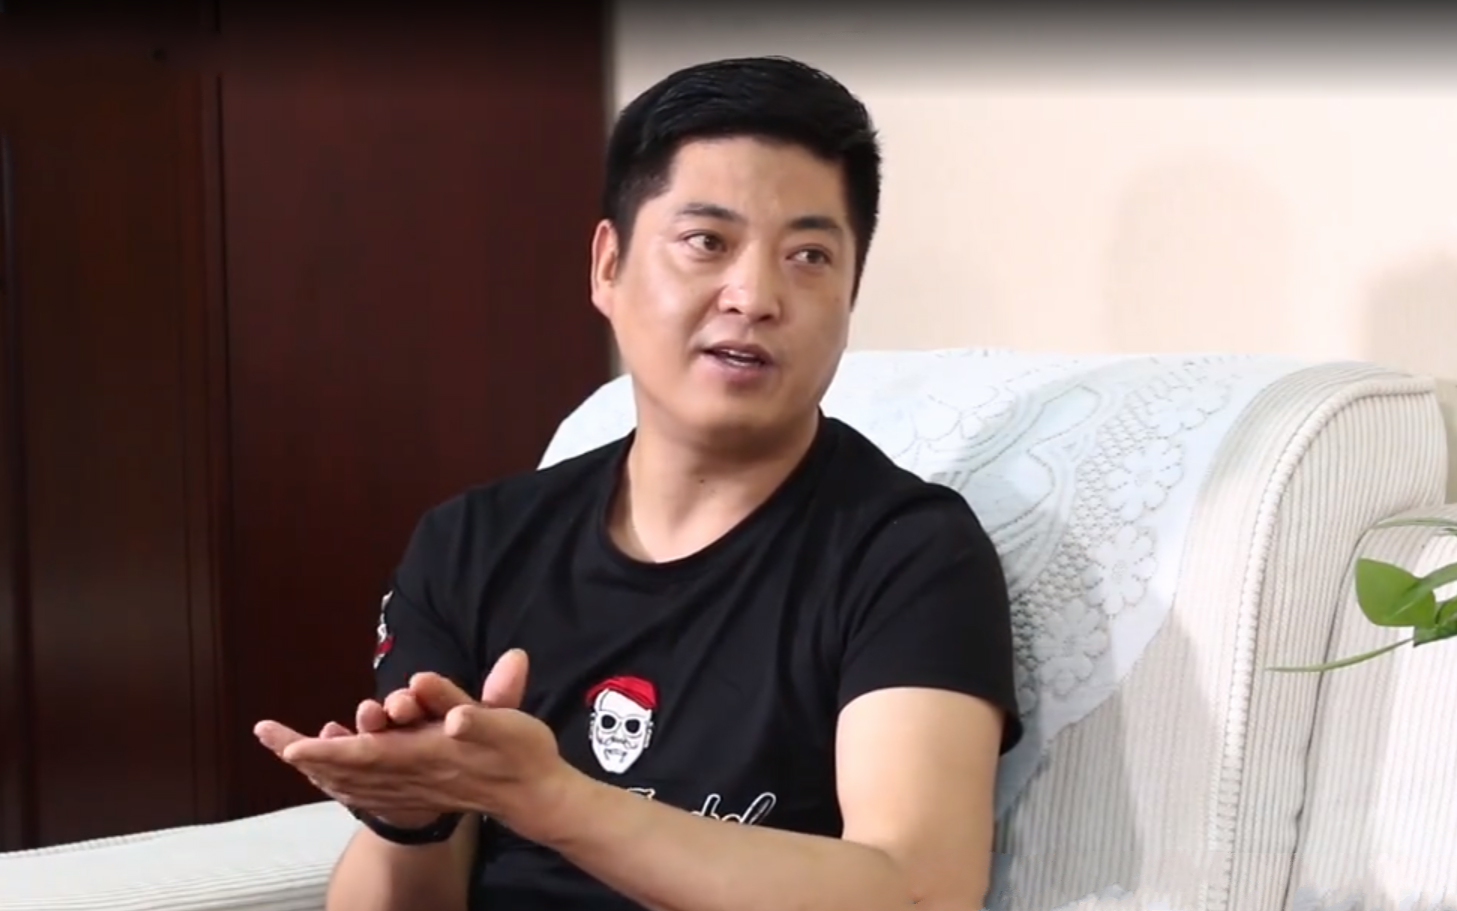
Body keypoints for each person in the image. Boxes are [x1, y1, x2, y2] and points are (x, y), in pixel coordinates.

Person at [254, 55, 1023, 911]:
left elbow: (918, 889)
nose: (755, 295)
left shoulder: (909, 553)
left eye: (809, 255)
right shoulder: (472, 543)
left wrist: (553, 798)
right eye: (707, 242)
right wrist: (411, 816)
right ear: (607, 266)